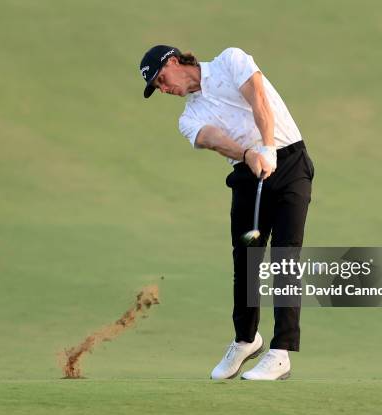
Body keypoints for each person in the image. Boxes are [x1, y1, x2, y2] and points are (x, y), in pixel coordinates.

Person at [139, 45, 314, 380]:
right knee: (246, 262)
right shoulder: (188, 117)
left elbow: (258, 98)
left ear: (175, 62)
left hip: (290, 161)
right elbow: (212, 139)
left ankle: (281, 352)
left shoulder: (230, 61)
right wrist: (249, 153)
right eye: (158, 88)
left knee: (286, 255)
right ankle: (246, 340)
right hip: (248, 174)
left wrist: (267, 146)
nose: (164, 89)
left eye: (162, 79)